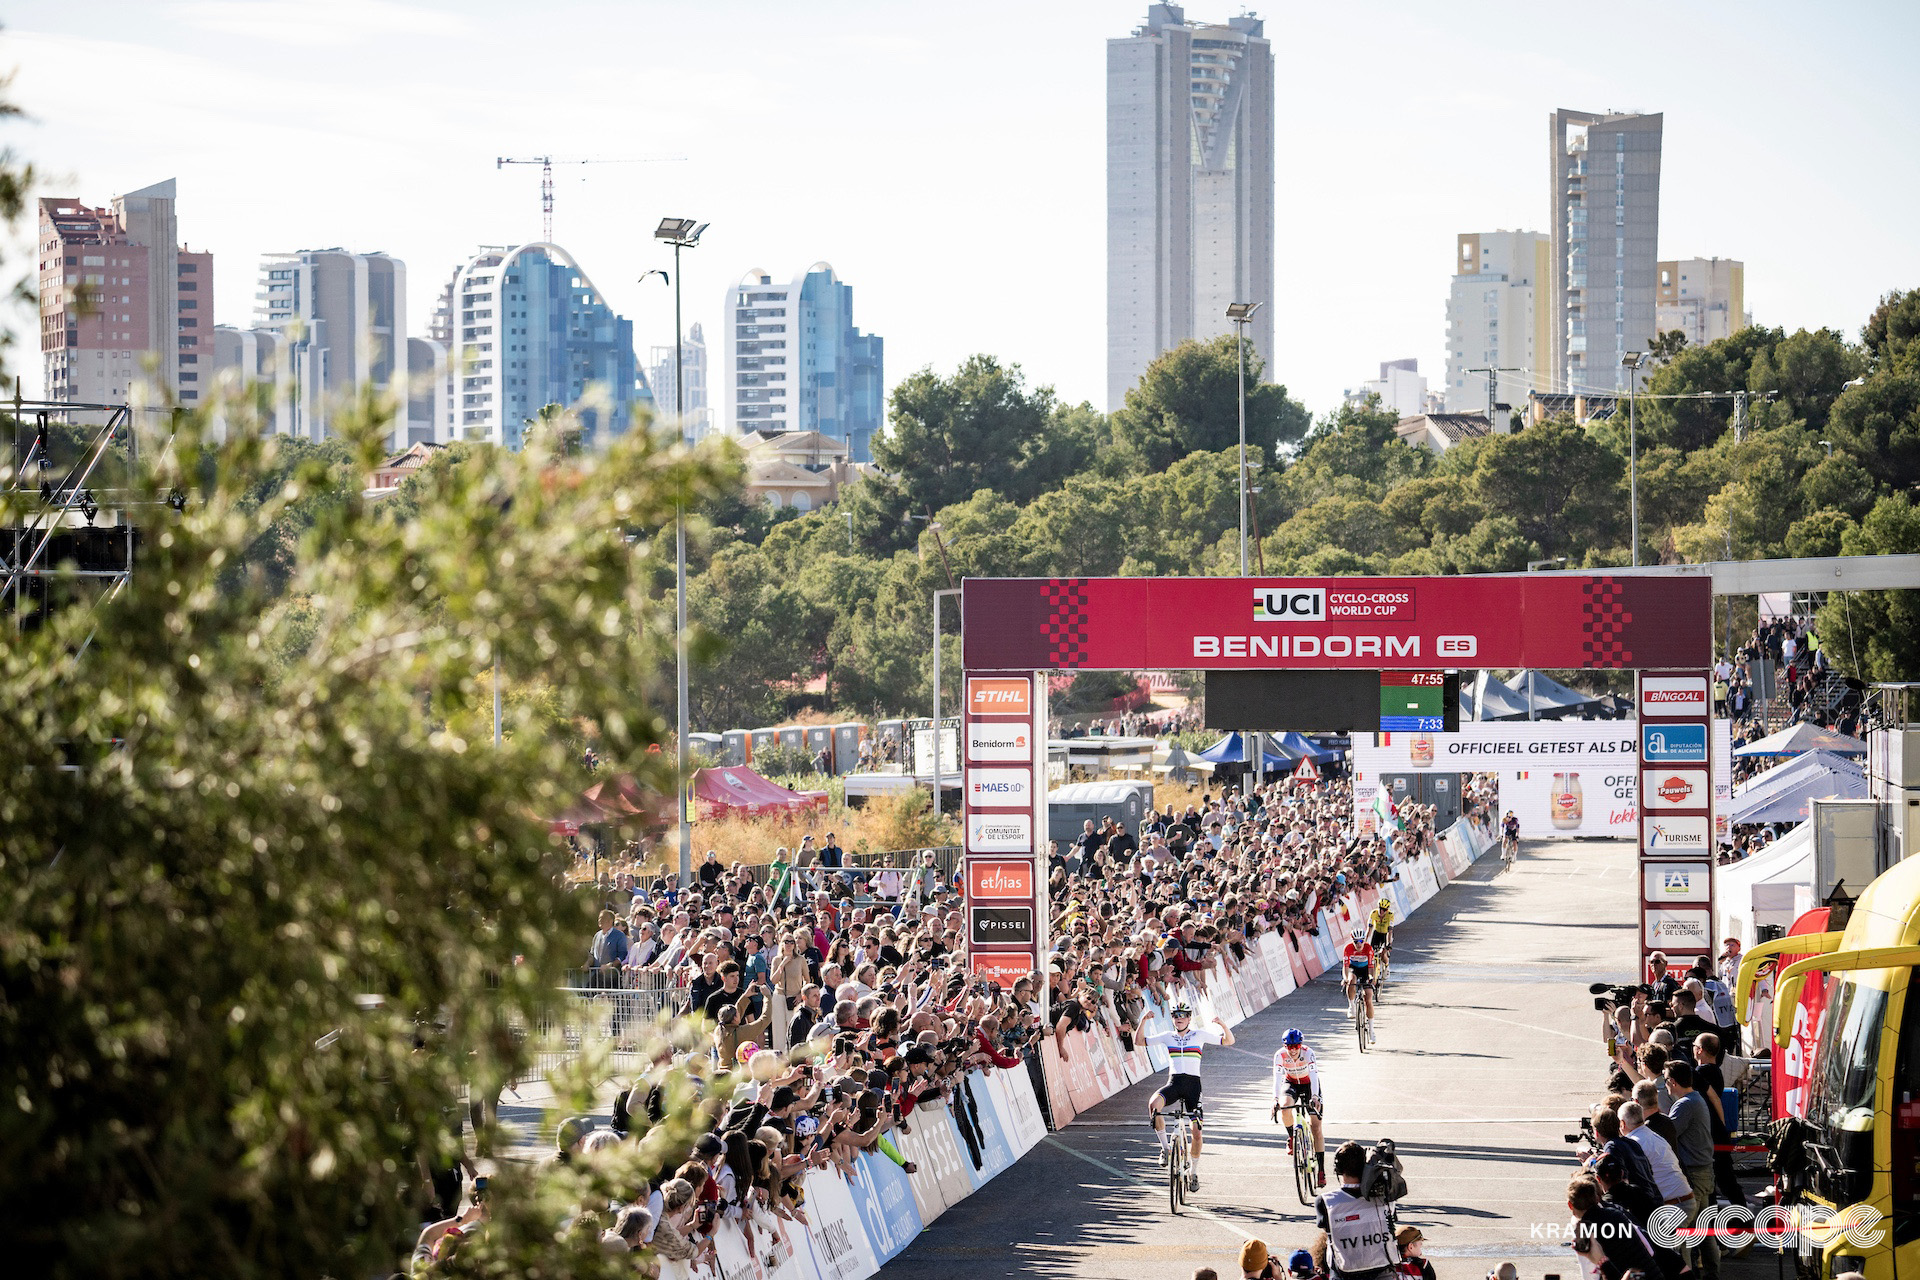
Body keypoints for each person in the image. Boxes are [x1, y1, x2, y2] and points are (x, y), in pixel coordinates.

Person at [1144, 1002, 1235, 1191]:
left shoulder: (1198, 1035)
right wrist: (1143, 1021)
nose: (1179, 1018)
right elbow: (1140, 1041)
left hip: (1193, 1087)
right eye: (1176, 1015)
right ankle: (1165, 1148)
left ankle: (1194, 1173)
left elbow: (1229, 1041)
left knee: (1196, 1132)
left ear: (1189, 1018)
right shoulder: (1168, 1036)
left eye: (1183, 1015)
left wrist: (1223, 1026)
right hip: (1174, 1084)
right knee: (1154, 1105)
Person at [1313, 1141, 1400, 1280]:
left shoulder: (1325, 1202)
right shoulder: (1385, 1196)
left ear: (1338, 1169)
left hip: (1344, 1273)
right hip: (1383, 1271)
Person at [1665, 1059, 1719, 1280]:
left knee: (1682, 1231)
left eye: (1666, 1080)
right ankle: (1713, 1274)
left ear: (1674, 1082)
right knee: (1703, 1230)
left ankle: (1686, 1275)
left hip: (1694, 1175)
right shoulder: (1696, 1099)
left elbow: (1668, 1133)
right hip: (1704, 1171)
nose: (1666, 1085)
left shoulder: (1684, 1104)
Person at [1567, 1173, 1662, 1280]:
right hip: (1651, 1274)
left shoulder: (1583, 1230)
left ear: (1570, 1205)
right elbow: (1649, 1249)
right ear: (1597, 1198)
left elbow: (1589, 1272)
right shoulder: (1616, 1214)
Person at [1271, 1027, 1327, 1188]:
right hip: (1292, 1083)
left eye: (1296, 1047)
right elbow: (1277, 1078)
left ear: (1300, 1045)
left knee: (1316, 1127)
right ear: (1285, 1046)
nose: (1293, 1050)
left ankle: (1321, 1170)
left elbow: (1315, 1075)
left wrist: (1315, 1096)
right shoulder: (1279, 1055)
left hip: (1309, 1085)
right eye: (1290, 1047)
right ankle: (1292, 1137)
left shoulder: (1308, 1053)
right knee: (1284, 1106)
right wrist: (1274, 1099)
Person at [1341, 929, 1379, 1046]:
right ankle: (1352, 1007)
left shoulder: (1368, 948)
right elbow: (1346, 967)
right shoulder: (1348, 949)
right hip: (1354, 969)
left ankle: (1372, 1031)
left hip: (1366, 969)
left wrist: (1372, 977)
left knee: (1368, 998)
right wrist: (1345, 978)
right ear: (1352, 941)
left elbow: (1371, 967)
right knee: (1351, 981)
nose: (1359, 944)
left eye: (1361, 941)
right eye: (1356, 941)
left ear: (1364, 940)